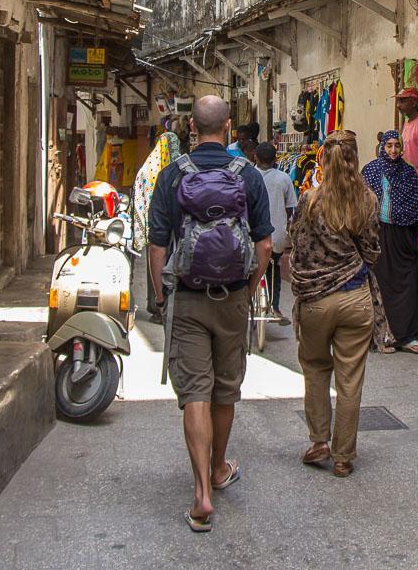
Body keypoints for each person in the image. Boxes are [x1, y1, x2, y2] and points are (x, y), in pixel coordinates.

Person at [147, 96, 273, 533]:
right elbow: (265, 246)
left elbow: (157, 244)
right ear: (229, 126)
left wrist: (163, 295)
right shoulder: (249, 176)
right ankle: (219, 467)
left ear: (190, 128)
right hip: (234, 296)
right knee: (225, 388)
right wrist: (250, 288)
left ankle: (201, 493)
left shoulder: (171, 176)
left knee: (195, 391)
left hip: (186, 296)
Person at [287, 134, 380, 478]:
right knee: (350, 380)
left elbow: (295, 243)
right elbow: (372, 251)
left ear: (323, 160)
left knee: (314, 368)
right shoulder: (367, 201)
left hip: (315, 300)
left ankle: (318, 441)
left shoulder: (309, 201)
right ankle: (343, 456)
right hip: (356, 298)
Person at [362, 131, 418, 354]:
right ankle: (385, 336)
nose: (393, 150)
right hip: (379, 235)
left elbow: (417, 209)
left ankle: (410, 336)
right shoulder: (371, 170)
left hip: (405, 237)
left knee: (410, 281)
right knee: (383, 284)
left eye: (397, 146)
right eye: (389, 146)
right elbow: (361, 206)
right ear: (382, 147)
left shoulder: (409, 172)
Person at [132, 130, 181, 322]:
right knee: (168, 263)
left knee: (156, 262)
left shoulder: (147, 170)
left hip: (154, 227)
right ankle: (165, 303)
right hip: (171, 228)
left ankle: (156, 304)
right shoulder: (175, 171)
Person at [253, 141, 297, 323]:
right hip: (276, 235)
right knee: (274, 269)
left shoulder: (249, 175)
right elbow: (290, 208)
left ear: (255, 157)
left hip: (253, 234)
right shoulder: (284, 178)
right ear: (275, 159)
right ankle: (275, 307)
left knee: (250, 268)